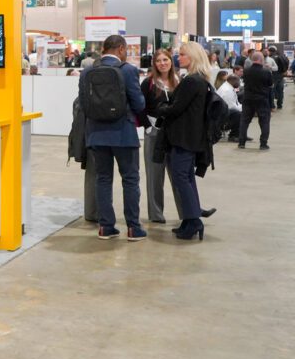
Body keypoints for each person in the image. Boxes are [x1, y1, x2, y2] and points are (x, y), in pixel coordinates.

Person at [78, 35, 146, 241]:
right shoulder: (128, 71)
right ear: (121, 49)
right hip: (123, 133)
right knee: (130, 180)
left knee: (103, 179)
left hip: (96, 134)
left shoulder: (87, 72)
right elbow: (140, 104)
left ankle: (106, 227)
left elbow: (83, 103)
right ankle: (133, 228)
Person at [157, 42, 213, 241]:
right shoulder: (200, 80)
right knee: (186, 178)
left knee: (181, 178)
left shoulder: (191, 81)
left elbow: (176, 109)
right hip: (190, 136)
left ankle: (194, 221)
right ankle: (190, 220)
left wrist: (161, 108)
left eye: (182, 55)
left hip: (183, 137)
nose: (178, 58)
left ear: (192, 57)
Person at [139, 49, 181, 225]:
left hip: (174, 134)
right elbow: (139, 107)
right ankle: (156, 215)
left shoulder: (179, 82)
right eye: (159, 61)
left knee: (178, 174)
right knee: (154, 176)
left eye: (166, 59)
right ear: (154, 64)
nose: (162, 63)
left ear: (171, 61)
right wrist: (148, 127)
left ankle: (187, 213)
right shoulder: (148, 83)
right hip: (154, 133)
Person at [239, 51, 273, 150]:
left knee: (244, 121)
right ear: (261, 59)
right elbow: (270, 84)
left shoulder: (246, 71)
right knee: (264, 121)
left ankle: (241, 142)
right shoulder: (266, 71)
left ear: (252, 59)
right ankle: (263, 144)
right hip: (262, 99)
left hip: (248, 98)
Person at [217, 74, 243, 142]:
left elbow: (236, 103)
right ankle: (234, 135)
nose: (239, 84)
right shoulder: (227, 90)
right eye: (238, 82)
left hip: (224, 111)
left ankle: (242, 134)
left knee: (242, 112)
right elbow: (231, 107)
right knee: (238, 114)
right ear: (233, 81)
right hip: (221, 115)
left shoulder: (229, 87)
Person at [268, 45, 288, 110]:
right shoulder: (282, 57)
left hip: (273, 76)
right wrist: (284, 71)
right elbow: (286, 64)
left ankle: (272, 105)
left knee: (272, 91)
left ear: (270, 51)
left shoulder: (271, 58)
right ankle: (280, 104)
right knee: (280, 91)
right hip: (281, 76)